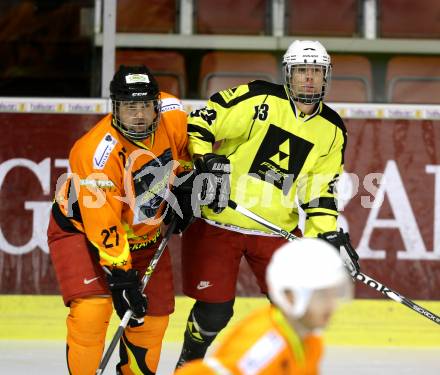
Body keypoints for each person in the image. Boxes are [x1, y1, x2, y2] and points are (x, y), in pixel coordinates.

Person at [175, 40, 360, 368]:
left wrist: (325, 240)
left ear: (326, 77)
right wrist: (204, 160)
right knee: (214, 312)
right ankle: (189, 365)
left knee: (297, 309)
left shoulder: (332, 130)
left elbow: (320, 193)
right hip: (220, 217)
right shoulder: (259, 98)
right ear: (288, 74)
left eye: (315, 72)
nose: (308, 79)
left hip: (277, 229)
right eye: (301, 70)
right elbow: (203, 120)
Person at [47, 65, 194, 375]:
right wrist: (122, 279)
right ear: (114, 108)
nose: (139, 115)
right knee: (91, 312)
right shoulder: (94, 153)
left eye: (144, 106)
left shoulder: (174, 115)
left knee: (152, 319)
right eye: (129, 107)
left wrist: (184, 186)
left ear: (156, 104)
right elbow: (103, 224)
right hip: (83, 233)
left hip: (146, 232)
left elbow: (183, 154)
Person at [175, 237, 353, 374]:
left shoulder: (311, 342)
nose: (331, 305)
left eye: (334, 293)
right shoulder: (264, 346)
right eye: (321, 295)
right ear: (290, 296)